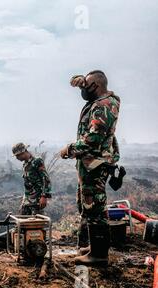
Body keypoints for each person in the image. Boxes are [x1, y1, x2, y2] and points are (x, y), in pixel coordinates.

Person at [60, 70, 120, 266]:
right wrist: (78, 80)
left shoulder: (104, 105)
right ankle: (95, 247)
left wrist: (69, 149)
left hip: (95, 164)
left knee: (95, 208)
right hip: (89, 164)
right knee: (88, 206)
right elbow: (74, 81)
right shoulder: (100, 102)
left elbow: (93, 140)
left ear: (98, 85)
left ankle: (99, 255)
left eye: (87, 85)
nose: (84, 89)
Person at [12, 143, 52, 215]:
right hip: (28, 198)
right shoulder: (26, 164)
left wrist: (44, 196)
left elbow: (45, 179)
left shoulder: (37, 161)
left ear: (23, 152)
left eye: (18, 155)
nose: (17, 158)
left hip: (37, 198)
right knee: (23, 220)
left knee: (36, 221)